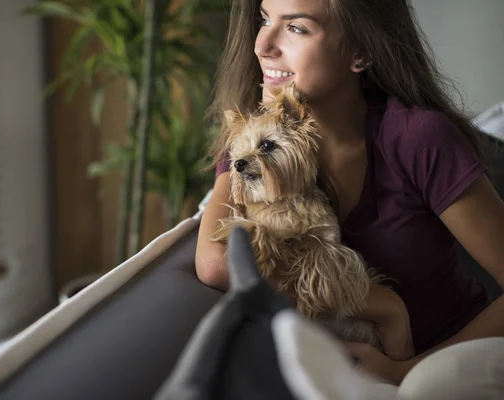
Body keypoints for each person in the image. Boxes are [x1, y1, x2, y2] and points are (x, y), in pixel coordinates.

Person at [195, 0, 504, 389]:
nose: (262, 45)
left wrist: (405, 369)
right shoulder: (253, 142)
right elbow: (215, 261)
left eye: (296, 28)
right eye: (264, 19)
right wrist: (382, 306)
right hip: (344, 372)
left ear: (362, 52)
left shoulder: (418, 138)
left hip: (453, 359)